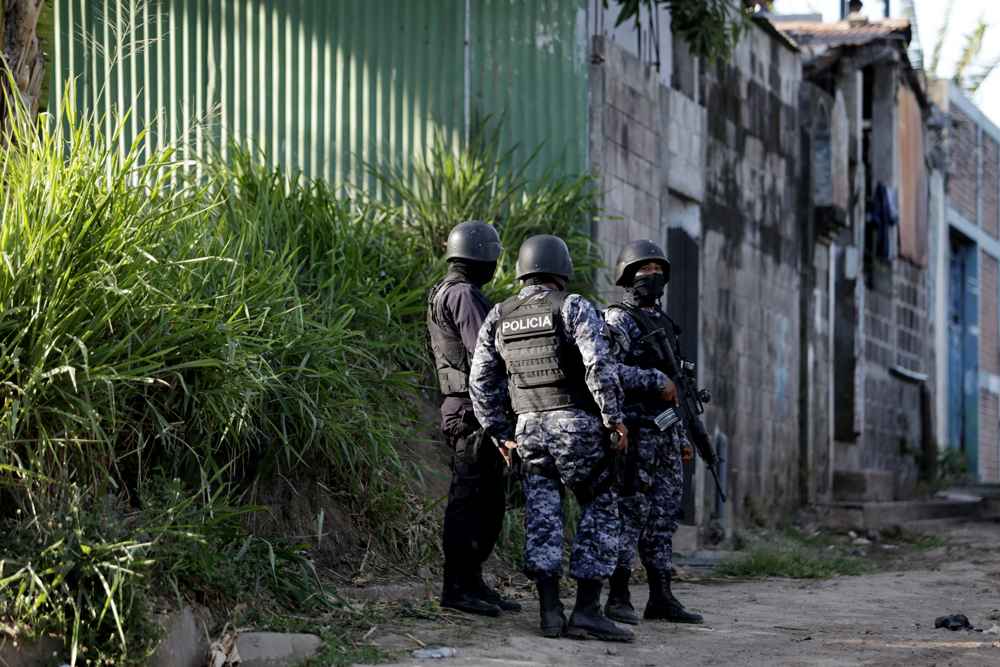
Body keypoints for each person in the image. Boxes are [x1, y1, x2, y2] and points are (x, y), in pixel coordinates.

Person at [469, 234, 633, 642]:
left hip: (527, 430)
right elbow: (599, 365)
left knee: (543, 513)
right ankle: (587, 611)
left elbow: (480, 379)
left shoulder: (499, 314)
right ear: (561, 271)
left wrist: (499, 434)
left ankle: (549, 613)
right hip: (574, 425)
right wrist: (614, 419)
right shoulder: (572, 305)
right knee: (600, 502)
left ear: (523, 270)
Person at [602, 239, 704, 625]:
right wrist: (651, 379)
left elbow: (676, 389)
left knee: (663, 518)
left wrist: (681, 440)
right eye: (644, 272)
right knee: (629, 513)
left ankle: (661, 595)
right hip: (635, 435)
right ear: (628, 278)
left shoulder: (663, 322)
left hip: (664, 435)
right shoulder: (618, 321)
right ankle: (619, 594)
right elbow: (605, 369)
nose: (652, 278)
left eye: (658, 272)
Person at [428, 220, 520, 617]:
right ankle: (457, 587)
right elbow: (487, 349)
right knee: (471, 501)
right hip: (472, 410)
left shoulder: (442, 290)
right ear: (483, 257)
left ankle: (472, 582)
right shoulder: (465, 294)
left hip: (461, 406)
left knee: (486, 500)